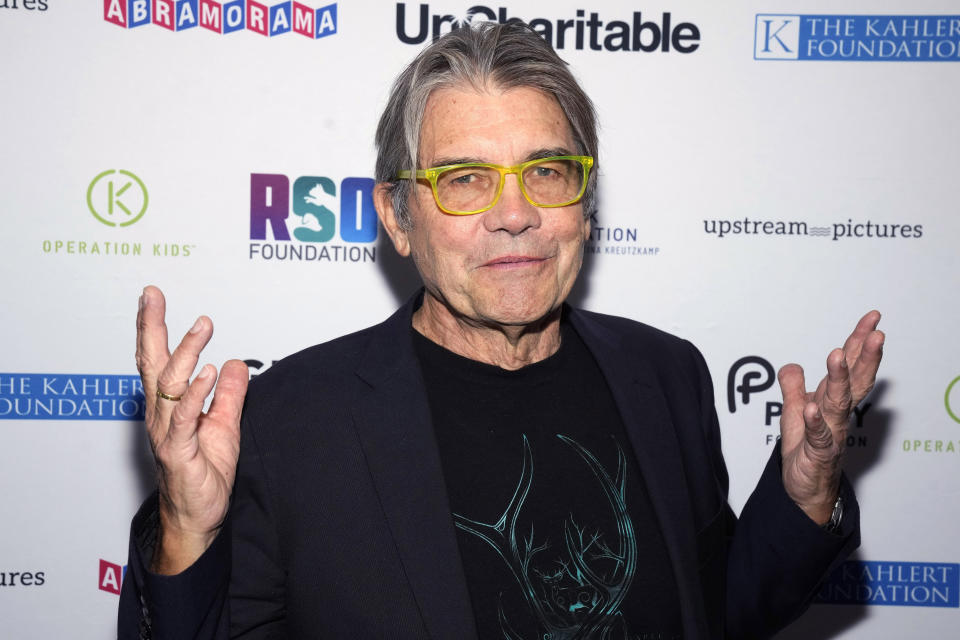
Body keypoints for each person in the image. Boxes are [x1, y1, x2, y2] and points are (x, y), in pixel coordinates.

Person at [119, 20, 884, 640]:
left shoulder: (666, 374)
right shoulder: (294, 417)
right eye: (465, 180)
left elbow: (718, 613)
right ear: (397, 218)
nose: (514, 214)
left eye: (547, 172)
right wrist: (187, 529)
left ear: (585, 202)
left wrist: (802, 492)